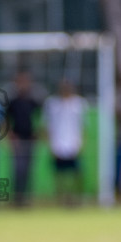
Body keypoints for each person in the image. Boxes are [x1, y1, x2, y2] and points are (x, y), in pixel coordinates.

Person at [42, 77, 86, 206]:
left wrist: (81, 143)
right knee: (59, 175)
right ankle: (61, 199)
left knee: (76, 174)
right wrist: (50, 145)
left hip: (73, 144)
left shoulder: (79, 104)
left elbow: (83, 126)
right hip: (58, 145)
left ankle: (76, 199)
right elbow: (47, 126)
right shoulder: (52, 104)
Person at [5, 69, 40, 208]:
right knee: (18, 170)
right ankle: (17, 199)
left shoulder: (33, 101)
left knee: (28, 170)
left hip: (29, 140)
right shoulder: (13, 102)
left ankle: (27, 198)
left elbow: (38, 118)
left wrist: (37, 134)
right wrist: (11, 136)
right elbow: (6, 120)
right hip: (18, 141)